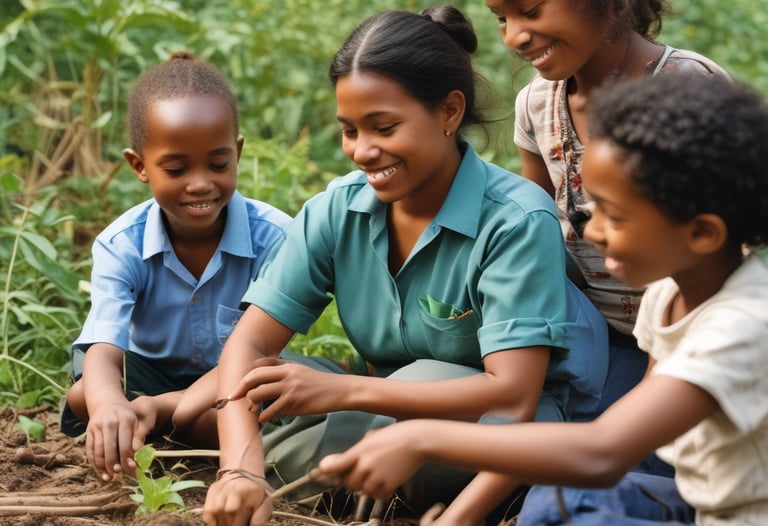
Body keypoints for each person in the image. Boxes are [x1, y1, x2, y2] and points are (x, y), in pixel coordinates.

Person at [202, 5, 608, 526]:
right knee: (245, 390)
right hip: (383, 399)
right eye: (348, 130)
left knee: (416, 382)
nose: (362, 151)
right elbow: (252, 343)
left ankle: (340, 469)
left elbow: (512, 393)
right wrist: (240, 469)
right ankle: (294, 464)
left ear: (449, 113)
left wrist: (346, 391)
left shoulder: (515, 220)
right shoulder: (338, 208)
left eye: (384, 127)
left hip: (498, 421)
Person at [316, 72, 768, 526]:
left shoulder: (739, 328)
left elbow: (604, 451)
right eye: (594, 210)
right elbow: (621, 438)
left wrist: (420, 440)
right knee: (558, 499)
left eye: (616, 217)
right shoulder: (672, 293)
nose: (591, 233)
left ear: (702, 233)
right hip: (700, 499)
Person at [425, 2, 731, 523]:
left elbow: (718, 257)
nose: (514, 37)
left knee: (623, 479)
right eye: (501, 18)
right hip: (596, 336)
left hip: (684, 341)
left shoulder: (687, 88)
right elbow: (534, 233)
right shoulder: (536, 103)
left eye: (529, 10)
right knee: (558, 483)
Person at [60, 52, 291, 482]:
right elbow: (104, 348)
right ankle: (163, 424)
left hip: (237, 380)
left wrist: (171, 405)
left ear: (237, 153)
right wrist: (109, 403)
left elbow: (264, 350)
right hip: (150, 374)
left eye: (219, 164)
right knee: (86, 394)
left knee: (269, 388)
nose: (201, 182)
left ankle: (166, 424)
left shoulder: (275, 237)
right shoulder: (120, 244)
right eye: (177, 168)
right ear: (139, 166)